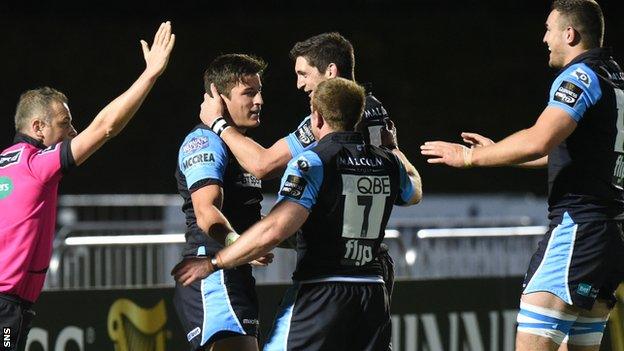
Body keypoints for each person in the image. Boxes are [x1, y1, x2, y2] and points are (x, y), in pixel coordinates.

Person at [420, 1, 624, 350]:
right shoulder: (614, 75)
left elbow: (540, 138)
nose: (544, 38)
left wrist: (470, 157)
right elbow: (560, 151)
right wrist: (498, 152)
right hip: (610, 238)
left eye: (548, 29)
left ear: (569, 34)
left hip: (579, 229)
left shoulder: (580, 76)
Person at [174, 77, 422, 350]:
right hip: (372, 292)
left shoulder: (312, 161)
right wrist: (394, 148)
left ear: (316, 118)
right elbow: (414, 192)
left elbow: (276, 227)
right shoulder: (387, 163)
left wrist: (215, 262)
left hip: (322, 291)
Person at [0, 22, 175, 351]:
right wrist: (150, 74)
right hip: (5, 309)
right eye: (64, 124)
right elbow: (106, 127)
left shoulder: (5, 162)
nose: (73, 132)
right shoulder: (36, 165)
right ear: (38, 127)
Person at [199, 31, 399, 301]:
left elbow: (263, 165)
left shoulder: (331, 119)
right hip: (372, 266)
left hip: (331, 273)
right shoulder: (375, 108)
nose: (299, 84)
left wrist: (218, 124)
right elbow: (408, 192)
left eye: (304, 74)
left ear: (330, 71)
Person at [173, 54, 274, 351]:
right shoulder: (204, 142)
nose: (259, 101)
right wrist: (239, 244)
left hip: (234, 272)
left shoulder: (238, 146)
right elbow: (206, 212)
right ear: (219, 97)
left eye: (259, 91)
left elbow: (253, 220)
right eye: (248, 93)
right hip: (213, 274)